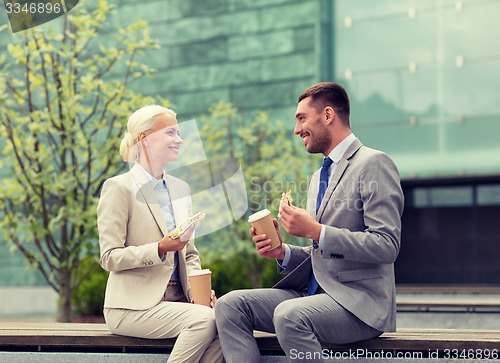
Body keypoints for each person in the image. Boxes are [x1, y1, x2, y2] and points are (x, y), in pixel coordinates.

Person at [215, 82, 404, 362]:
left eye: (301, 118)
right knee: (230, 305)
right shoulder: (318, 177)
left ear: (327, 115)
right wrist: (282, 252)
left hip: (358, 304)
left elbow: (386, 246)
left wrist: (316, 230)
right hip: (313, 296)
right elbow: (322, 254)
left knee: (289, 315)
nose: (296, 129)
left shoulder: (374, 163)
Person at [97, 105, 224, 363]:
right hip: (130, 307)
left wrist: (198, 292)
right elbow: (109, 257)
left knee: (229, 322)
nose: (179, 139)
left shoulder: (180, 188)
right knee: (204, 321)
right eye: (171, 133)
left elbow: (189, 254)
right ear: (144, 138)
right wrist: (159, 248)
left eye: (178, 133)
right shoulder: (118, 187)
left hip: (178, 302)